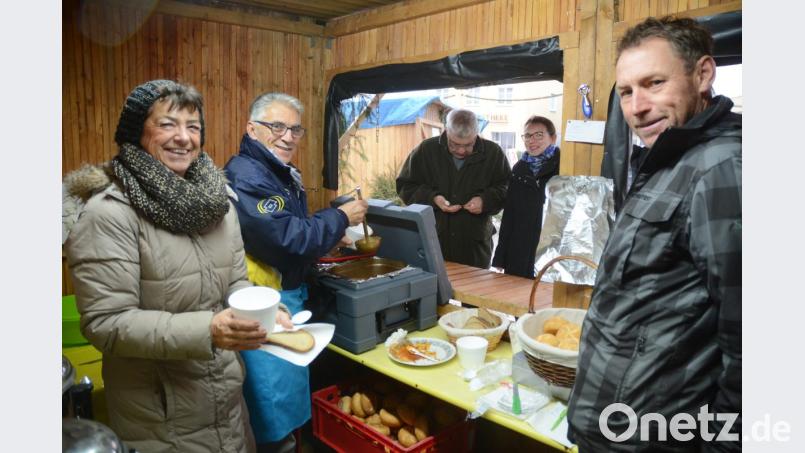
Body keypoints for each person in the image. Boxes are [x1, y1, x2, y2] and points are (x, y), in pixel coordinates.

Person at [64, 80, 293, 453]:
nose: (183, 138)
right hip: (160, 416)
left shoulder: (218, 202)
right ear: (137, 133)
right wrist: (208, 330)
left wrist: (264, 310)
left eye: (193, 126)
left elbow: (235, 282)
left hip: (227, 402)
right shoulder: (109, 214)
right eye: (167, 124)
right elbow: (106, 323)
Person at [566, 17, 741, 451]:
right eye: (626, 92)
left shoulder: (723, 170)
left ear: (702, 75)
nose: (637, 107)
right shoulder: (670, 160)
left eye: (654, 83)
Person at [224, 92, 368, 452]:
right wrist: (340, 218)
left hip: (284, 297)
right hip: (264, 305)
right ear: (251, 129)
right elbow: (285, 240)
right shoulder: (248, 176)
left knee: (284, 407)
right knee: (273, 413)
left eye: (295, 129)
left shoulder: (277, 171)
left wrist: (327, 241)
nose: (287, 136)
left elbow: (292, 229)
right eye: (276, 126)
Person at [396, 108, 511, 268]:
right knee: (433, 289)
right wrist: (432, 198)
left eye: (469, 145)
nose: (462, 151)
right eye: (455, 144)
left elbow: (506, 188)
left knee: (473, 290)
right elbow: (405, 185)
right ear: (446, 131)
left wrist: (485, 201)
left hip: (474, 247)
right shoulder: (426, 150)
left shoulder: (493, 153)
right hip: (433, 242)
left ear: (477, 133)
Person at [491, 115, 560, 278]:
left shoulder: (563, 167)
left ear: (553, 138)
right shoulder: (519, 169)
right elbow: (509, 214)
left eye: (539, 135)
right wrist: (500, 257)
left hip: (549, 251)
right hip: (519, 250)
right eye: (528, 136)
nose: (532, 140)